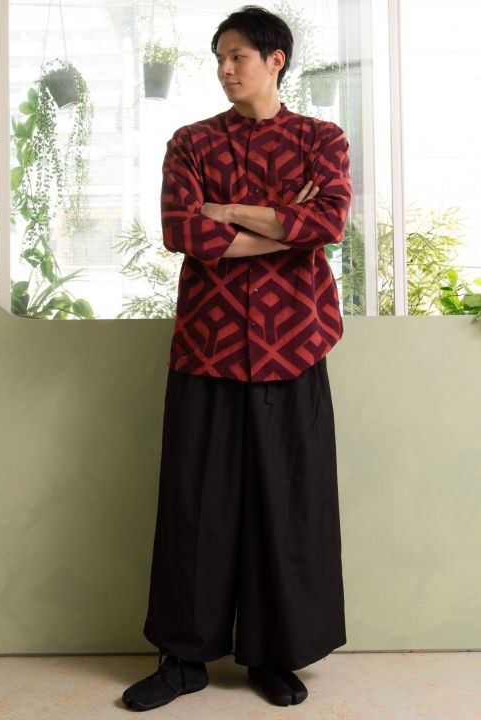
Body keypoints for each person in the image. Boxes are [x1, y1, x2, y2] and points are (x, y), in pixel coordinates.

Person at [122, 4, 352, 712]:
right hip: (208, 345)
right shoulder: (190, 143)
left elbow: (327, 221)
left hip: (295, 345)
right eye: (219, 58)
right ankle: (183, 659)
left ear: (275, 60)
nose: (225, 69)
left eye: (237, 57)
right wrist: (282, 223)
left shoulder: (322, 139)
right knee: (196, 505)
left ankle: (274, 656)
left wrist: (228, 212)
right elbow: (181, 231)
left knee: (288, 504)